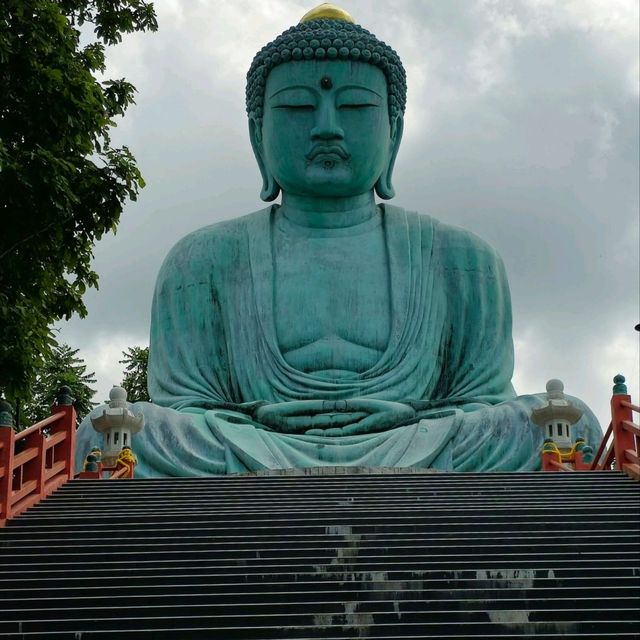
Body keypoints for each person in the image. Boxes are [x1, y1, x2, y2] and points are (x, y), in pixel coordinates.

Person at [76, 4, 602, 476]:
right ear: (259, 135)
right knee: (111, 428)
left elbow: (480, 399)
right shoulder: (201, 260)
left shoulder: (464, 259)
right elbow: (190, 406)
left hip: (424, 441)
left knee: (565, 421)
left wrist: (421, 422)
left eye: (354, 109)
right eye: (298, 110)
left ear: (392, 133)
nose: (327, 128)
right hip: (250, 444)